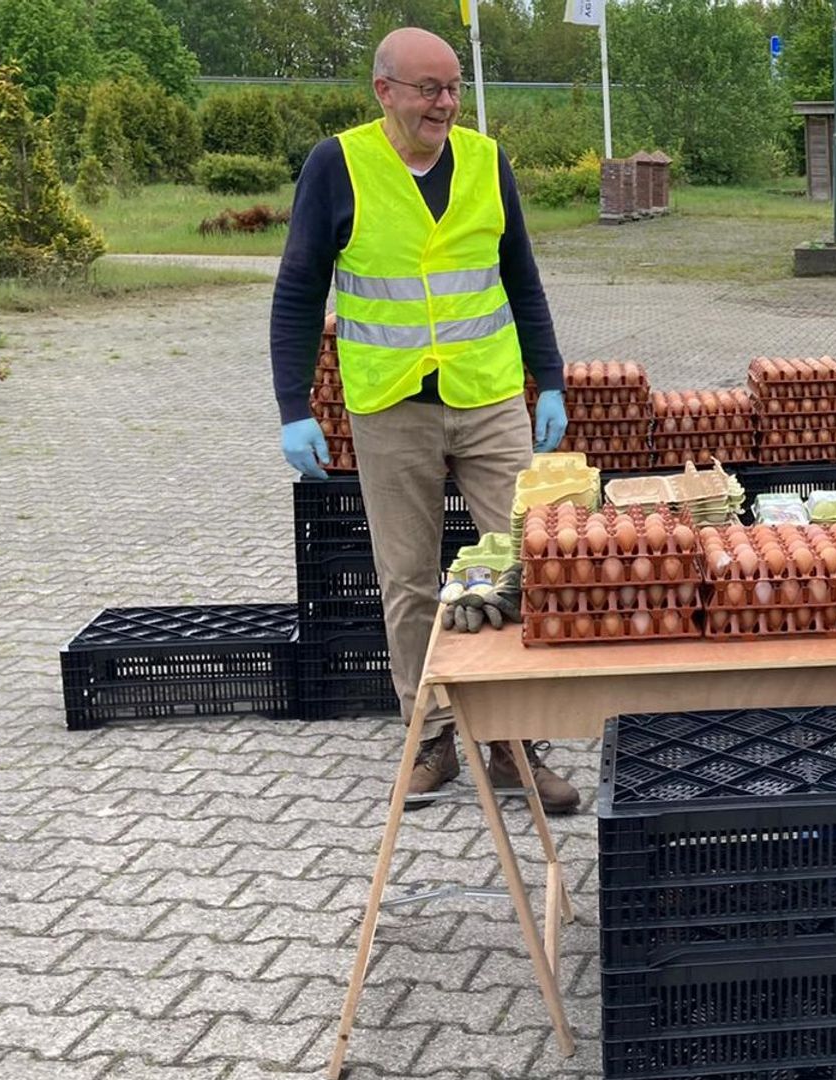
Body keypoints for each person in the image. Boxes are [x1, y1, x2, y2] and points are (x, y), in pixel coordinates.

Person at [269, 27, 579, 813]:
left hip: (486, 398)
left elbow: (522, 279)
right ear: (385, 91)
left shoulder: (484, 160)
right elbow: (301, 289)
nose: (446, 103)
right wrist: (292, 407)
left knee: (523, 563)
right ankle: (432, 735)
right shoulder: (336, 165)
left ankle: (514, 744)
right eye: (428, 89)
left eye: (453, 88)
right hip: (390, 408)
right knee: (408, 581)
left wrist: (549, 381)